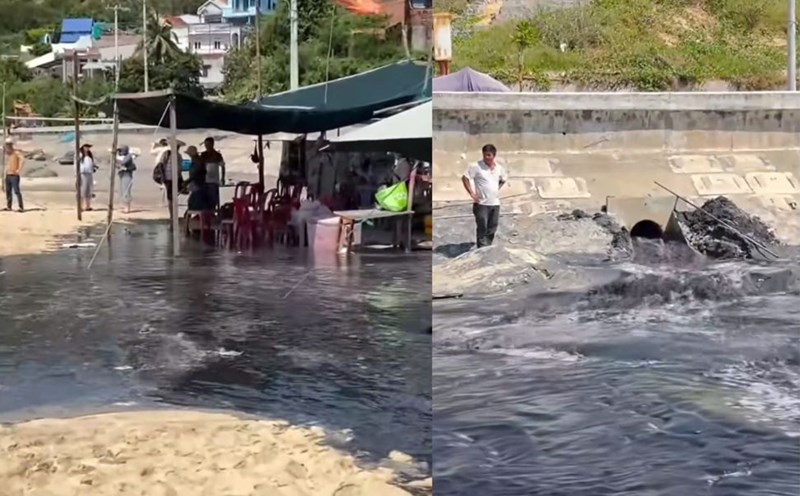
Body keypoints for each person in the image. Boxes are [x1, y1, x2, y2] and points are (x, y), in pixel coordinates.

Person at [461, 143, 508, 248]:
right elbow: (465, 178)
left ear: (493, 155)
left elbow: (503, 179)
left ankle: (488, 248)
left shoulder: (499, 168)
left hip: (495, 203)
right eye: (485, 155)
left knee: (492, 228)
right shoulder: (476, 167)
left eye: (489, 155)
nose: (486, 157)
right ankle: (482, 250)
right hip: (481, 203)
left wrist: (496, 189)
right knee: (482, 227)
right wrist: (472, 194)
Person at [199, 137, 225, 209]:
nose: (207, 146)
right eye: (205, 144)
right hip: (204, 180)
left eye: (208, 144)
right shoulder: (203, 155)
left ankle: (212, 213)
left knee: (213, 198)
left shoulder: (217, 155)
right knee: (205, 198)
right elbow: (200, 167)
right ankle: (208, 214)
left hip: (214, 181)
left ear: (212, 144)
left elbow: (223, 166)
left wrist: (223, 178)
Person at [185, 145, 210, 211]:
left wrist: (187, 181)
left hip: (198, 183)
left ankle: (193, 214)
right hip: (197, 183)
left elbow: (195, 174)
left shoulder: (197, 161)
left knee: (194, 201)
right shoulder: (197, 160)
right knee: (195, 200)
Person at [4, 138, 23, 212]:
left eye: (9, 144)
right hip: (8, 174)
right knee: (8, 191)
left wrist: (19, 169)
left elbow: (22, 160)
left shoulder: (16, 152)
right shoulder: (7, 153)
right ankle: (9, 206)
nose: (8, 146)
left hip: (14, 175)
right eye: (7, 144)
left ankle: (20, 207)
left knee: (16, 191)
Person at [116, 145, 137, 213]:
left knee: (126, 191)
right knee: (123, 191)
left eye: (120, 150)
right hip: (123, 174)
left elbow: (123, 163)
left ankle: (127, 208)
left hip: (127, 175)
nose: (119, 152)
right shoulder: (124, 156)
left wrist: (115, 159)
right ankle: (125, 206)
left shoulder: (128, 156)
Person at [79, 144, 95, 211]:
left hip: (89, 174)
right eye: (86, 147)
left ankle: (88, 206)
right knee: (83, 190)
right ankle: (80, 206)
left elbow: (90, 164)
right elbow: (77, 165)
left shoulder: (89, 155)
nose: (88, 148)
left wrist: (93, 168)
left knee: (89, 190)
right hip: (82, 174)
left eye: (88, 147)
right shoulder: (79, 155)